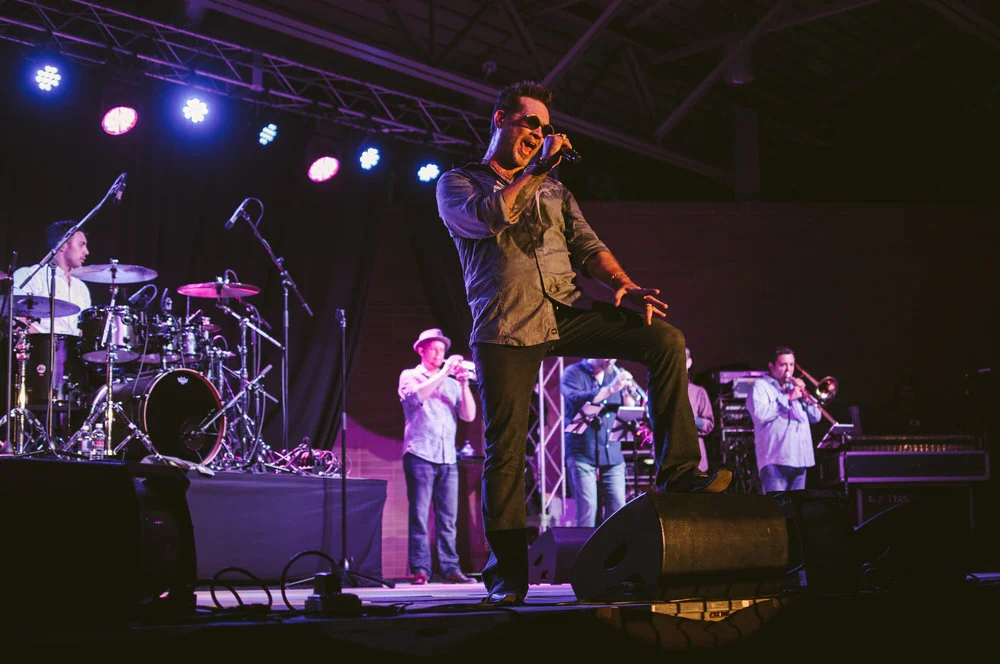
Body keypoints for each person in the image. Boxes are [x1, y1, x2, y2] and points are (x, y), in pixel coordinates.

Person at [436, 80, 732, 606]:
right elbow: (491, 217)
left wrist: (623, 283)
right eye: (530, 123)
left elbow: (589, 246)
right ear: (501, 119)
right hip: (505, 323)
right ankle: (507, 577)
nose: (538, 134)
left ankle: (680, 471)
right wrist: (537, 169)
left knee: (665, 340)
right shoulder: (458, 183)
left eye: (546, 128)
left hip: (565, 309)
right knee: (506, 450)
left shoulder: (555, 191)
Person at [398, 328, 478, 585]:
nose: (439, 354)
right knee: (420, 516)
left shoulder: (452, 383)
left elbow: (469, 416)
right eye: (433, 349)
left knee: (448, 519)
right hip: (420, 454)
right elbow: (415, 397)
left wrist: (463, 384)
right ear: (421, 350)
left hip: (448, 458)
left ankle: (450, 569)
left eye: (442, 350)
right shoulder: (410, 376)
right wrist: (444, 372)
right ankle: (420, 570)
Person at [560, 358, 642, 528]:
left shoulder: (615, 374)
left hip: (612, 453)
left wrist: (627, 393)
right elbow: (576, 399)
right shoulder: (573, 373)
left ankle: (613, 545)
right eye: (606, 356)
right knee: (588, 509)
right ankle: (584, 545)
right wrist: (612, 389)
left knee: (618, 507)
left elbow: (629, 410)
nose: (611, 360)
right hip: (582, 452)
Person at [745, 346, 823, 493]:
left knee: (796, 507)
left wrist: (806, 397)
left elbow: (816, 416)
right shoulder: (760, 386)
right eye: (783, 365)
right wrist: (787, 398)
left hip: (801, 460)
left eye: (792, 365)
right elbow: (760, 414)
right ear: (771, 366)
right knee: (777, 506)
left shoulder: (795, 388)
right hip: (775, 460)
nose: (788, 370)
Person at [11, 220, 91, 335]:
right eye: (81, 244)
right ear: (63, 245)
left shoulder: (82, 288)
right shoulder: (30, 276)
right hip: (38, 344)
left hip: (72, 346)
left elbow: (83, 330)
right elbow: (16, 319)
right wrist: (44, 342)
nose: (86, 252)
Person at [685, 347, 715, 472]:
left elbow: (709, 424)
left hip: (694, 460)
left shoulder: (698, 392)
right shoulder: (661, 392)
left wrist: (694, 420)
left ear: (689, 363)